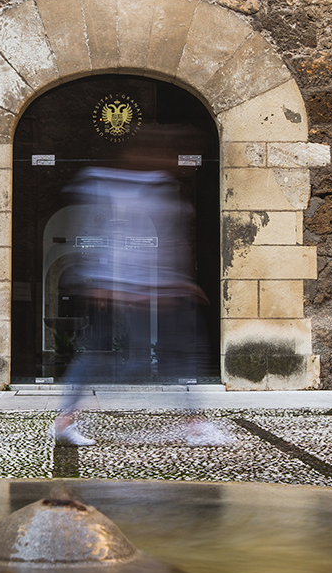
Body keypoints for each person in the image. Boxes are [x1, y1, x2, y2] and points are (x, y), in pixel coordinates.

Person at [46, 132, 234, 447]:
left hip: (151, 287)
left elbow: (168, 244)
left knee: (179, 355)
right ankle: (65, 421)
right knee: (104, 357)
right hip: (120, 287)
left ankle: (195, 425)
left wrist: (179, 283)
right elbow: (95, 232)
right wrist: (105, 283)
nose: (168, 159)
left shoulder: (157, 185)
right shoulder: (102, 183)